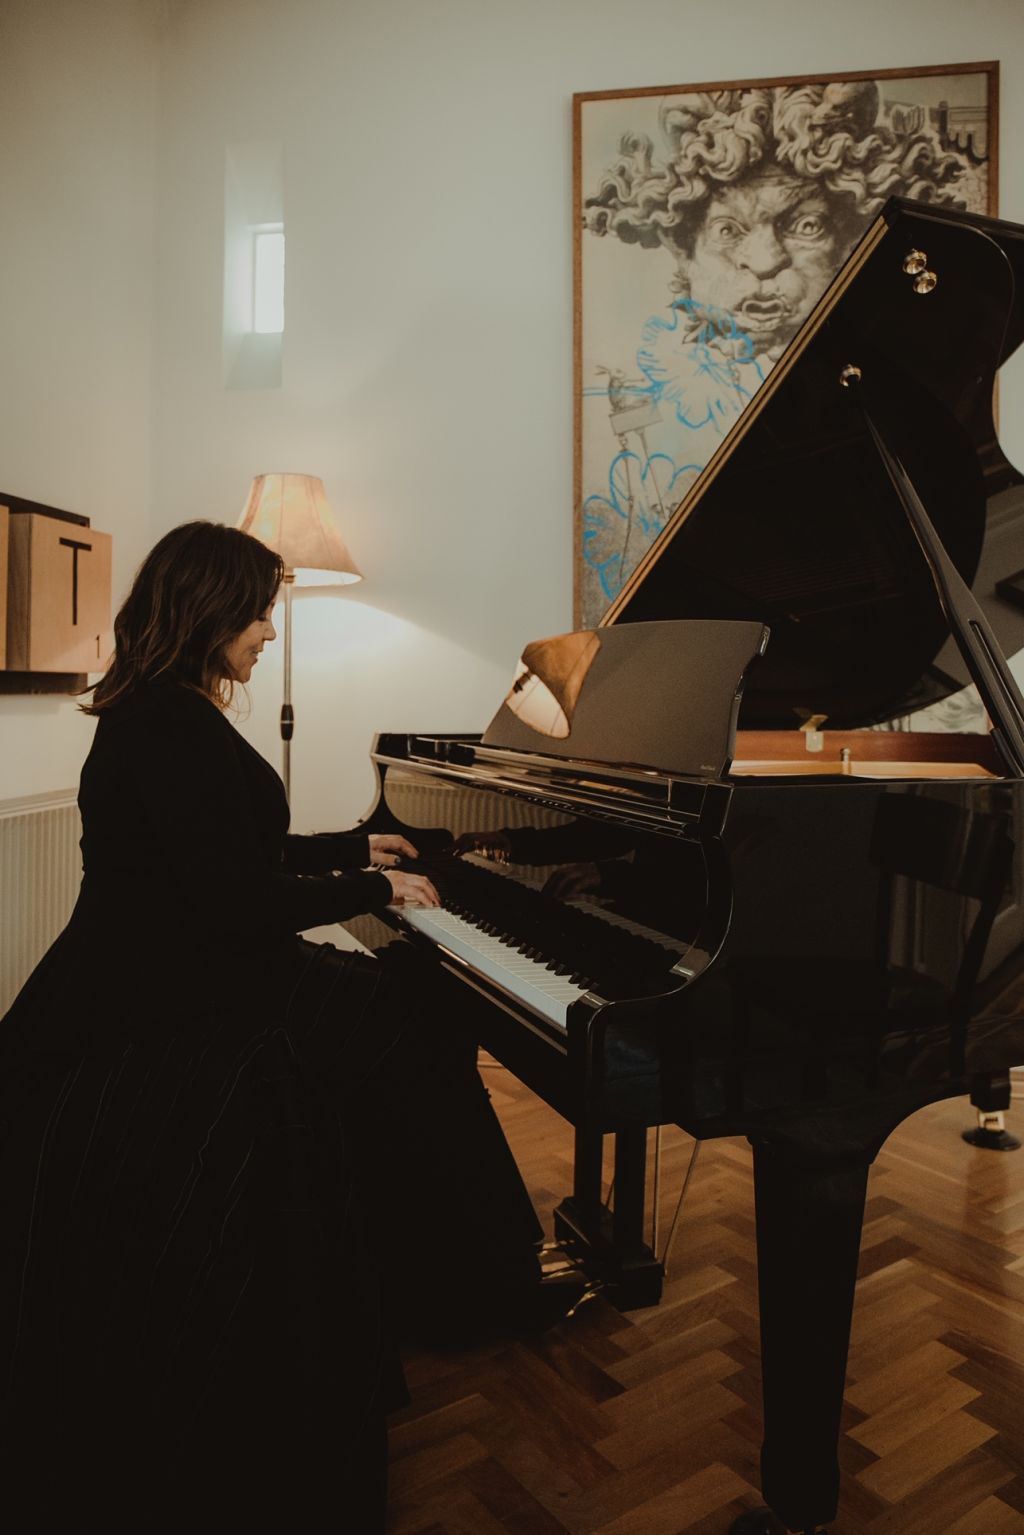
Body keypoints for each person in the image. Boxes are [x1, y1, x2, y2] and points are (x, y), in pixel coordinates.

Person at [0, 520, 579, 1532]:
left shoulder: (162, 712)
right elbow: (227, 902)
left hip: (176, 967)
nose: (269, 629)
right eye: (259, 609)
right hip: (164, 994)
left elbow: (227, 855)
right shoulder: (160, 726)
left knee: (407, 1014)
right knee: (405, 1018)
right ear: (209, 606)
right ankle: (473, 1276)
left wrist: (357, 841)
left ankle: (454, 1266)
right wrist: (373, 884)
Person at [579, 79, 981, 619]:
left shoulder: (884, 402)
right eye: (727, 230)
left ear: (846, 243)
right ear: (685, 251)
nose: (765, 261)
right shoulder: (650, 398)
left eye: (806, 225)